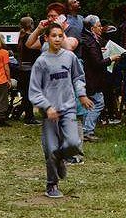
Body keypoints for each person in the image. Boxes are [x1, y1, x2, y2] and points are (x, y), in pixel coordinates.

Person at [28, 22, 94, 199]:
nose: (57, 39)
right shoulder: (41, 62)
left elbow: (78, 77)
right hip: (50, 113)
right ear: (47, 38)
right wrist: (47, 106)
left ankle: (60, 159)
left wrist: (81, 94)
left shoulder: (70, 57)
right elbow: (34, 90)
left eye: (60, 35)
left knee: (73, 143)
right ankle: (52, 184)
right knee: (50, 149)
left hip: (68, 109)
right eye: (54, 36)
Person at [79, 15, 121, 141]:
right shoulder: (91, 41)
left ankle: (86, 130)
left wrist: (99, 51)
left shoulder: (88, 39)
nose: (101, 28)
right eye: (98, 26)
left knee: (90, 103)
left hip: (89, 77)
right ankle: (87, 131)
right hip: (92, 78)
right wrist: (111, 58)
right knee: (98, 103)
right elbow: (97, 63)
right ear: (92, 28)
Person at [16, 16, 39, 125]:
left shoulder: (21, 36)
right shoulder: (30, 38)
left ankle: (25, 113)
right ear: (31, 25)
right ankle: (29, 117)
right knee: (29, 94)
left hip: (22, 68)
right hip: (30, 68)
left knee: (26, 93)